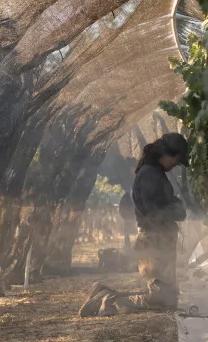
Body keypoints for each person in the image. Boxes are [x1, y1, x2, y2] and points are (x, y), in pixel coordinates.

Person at [79, 133, 189, 317]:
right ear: (169, 154)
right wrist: (176, 210)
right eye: (177, 159)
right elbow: (155, 211)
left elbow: (167, 205)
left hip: (160, 239)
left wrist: (175, 208)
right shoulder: (150, 175)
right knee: (159, 299)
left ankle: (107, 295)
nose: (177, 164)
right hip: (154, 241)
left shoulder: (155, 173)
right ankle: (107, 297)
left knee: (167, 300)